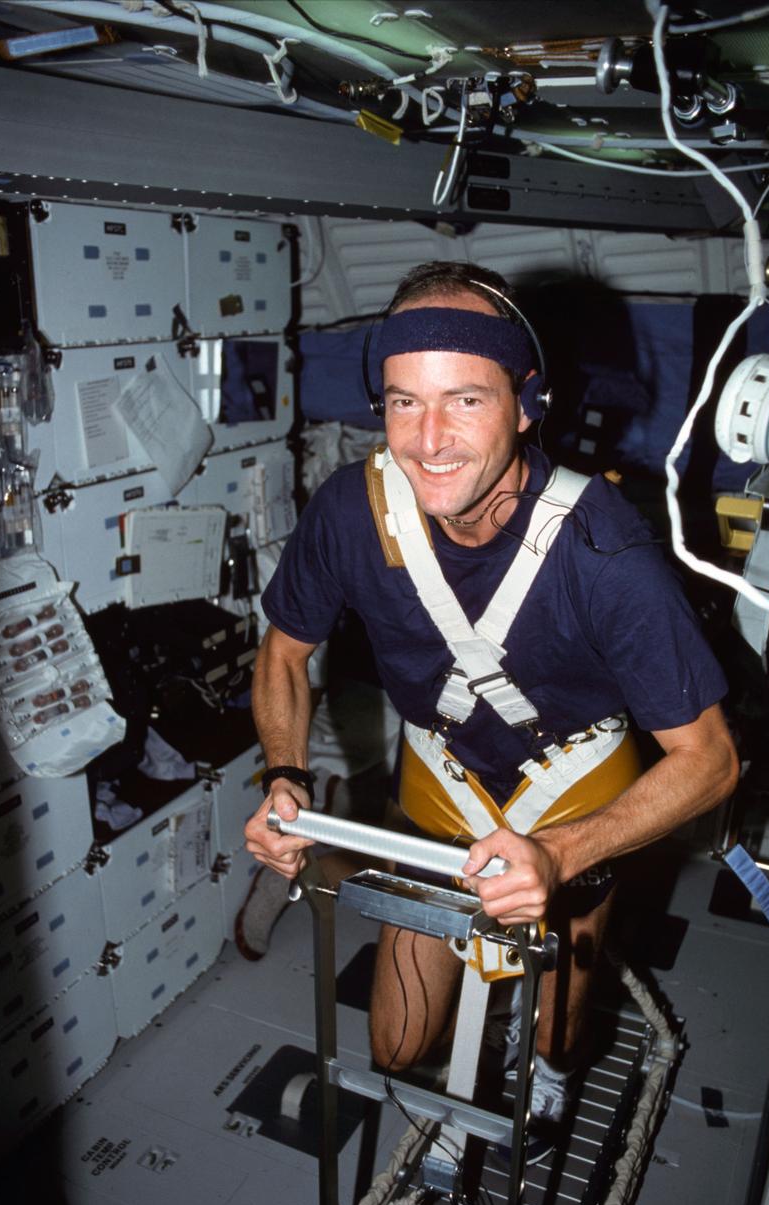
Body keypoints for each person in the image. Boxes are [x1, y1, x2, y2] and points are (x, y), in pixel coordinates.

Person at [244, 260, 738, 1138]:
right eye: (404, 402)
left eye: (465, 400)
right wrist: (284, 778)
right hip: (441, 776)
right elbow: (284, 653)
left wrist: (559, 852)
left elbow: (710, 760)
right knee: (397, 1048)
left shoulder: (604, 552)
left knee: (555, 1036)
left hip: (573, 784)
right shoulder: (350, 513)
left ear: (524, 403)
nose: (428, 439)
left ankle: (547, 1066)